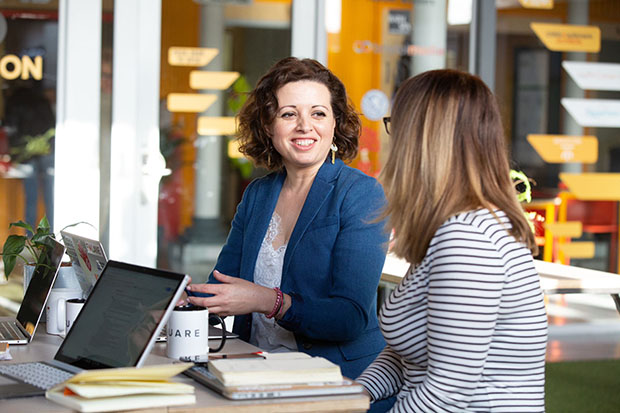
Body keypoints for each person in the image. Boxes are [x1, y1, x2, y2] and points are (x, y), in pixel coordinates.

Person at [185, 57, 392, 404]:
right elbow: (222, 284)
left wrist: (269, 300)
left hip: (338, 384)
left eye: (318, 113)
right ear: (268, 126)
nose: (304, 126)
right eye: (288, 114)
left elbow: (350, 317)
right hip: (256, 373)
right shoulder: (258, 194)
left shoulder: (360, 193)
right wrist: (174, 303)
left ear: (335, 123)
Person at [356, 69, 548, 412]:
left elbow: (448, 391)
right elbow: (407, 359)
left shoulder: (468, 240)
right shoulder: (452, 228)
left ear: (420, 140)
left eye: (394, 124)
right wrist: (350, 395)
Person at [4, 82, 56, 229]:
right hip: (47, 151)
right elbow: (52, 123)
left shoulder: (14, 100)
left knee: (31, 198)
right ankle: (51, 237)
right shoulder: (41, 99)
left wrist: (13, 155)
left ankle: (29, 240)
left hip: (26, 155)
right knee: (50, 197)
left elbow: (10, 128)